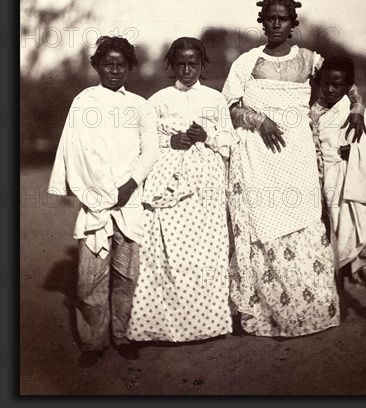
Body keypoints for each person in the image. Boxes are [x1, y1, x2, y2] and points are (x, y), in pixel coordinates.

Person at [222, 0, 366, 337]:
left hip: (297, 157)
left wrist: (357, 108)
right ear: (262, 21)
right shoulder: (246, 62)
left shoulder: (310, 60)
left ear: (292, 24)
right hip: (257, 158)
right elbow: (227, 106)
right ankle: (268, 315)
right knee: (262, 229)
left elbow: (344, 83)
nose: (275, 24)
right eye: (269, 18)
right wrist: (259, 120)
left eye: (282, 19)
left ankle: (315, 313)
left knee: (306, 225)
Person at [48, 36, 158, 366]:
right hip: (96, 201)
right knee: (89, 280)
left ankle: (121, 335)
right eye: (107, 64)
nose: (113, 70)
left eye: (120, 64)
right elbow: (75, 151)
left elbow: (149, 150)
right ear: (96, 65)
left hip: (129, 201)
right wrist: (99, 192)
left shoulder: (140, 105)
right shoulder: (84, 102)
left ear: (129, 68)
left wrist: (130, 184)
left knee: (126, 276)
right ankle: (93, 341)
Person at [127, 37, 236, 342]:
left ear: (202, 65)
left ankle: (210, 325)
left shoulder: (215, 100)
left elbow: (229, 143)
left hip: (207, 187)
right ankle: (166, 326)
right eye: (181, 64)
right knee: (167, 251)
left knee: (209, 252)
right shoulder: (158, 100)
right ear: (171, 66)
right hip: (169, 184)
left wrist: (208, 135)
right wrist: (170, 141)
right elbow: (144, 142)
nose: (187, 70)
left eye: (193, 64)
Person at [310, 56, 366, 329]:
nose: (330, 90)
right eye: (326, 84)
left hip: (352, 190)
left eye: (337, 85)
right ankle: (336, 307)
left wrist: (357, 152)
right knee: (331, 250)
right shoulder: (313, 112)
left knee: (361, 247)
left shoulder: (360, 114)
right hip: (324, 188)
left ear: (349, 85)